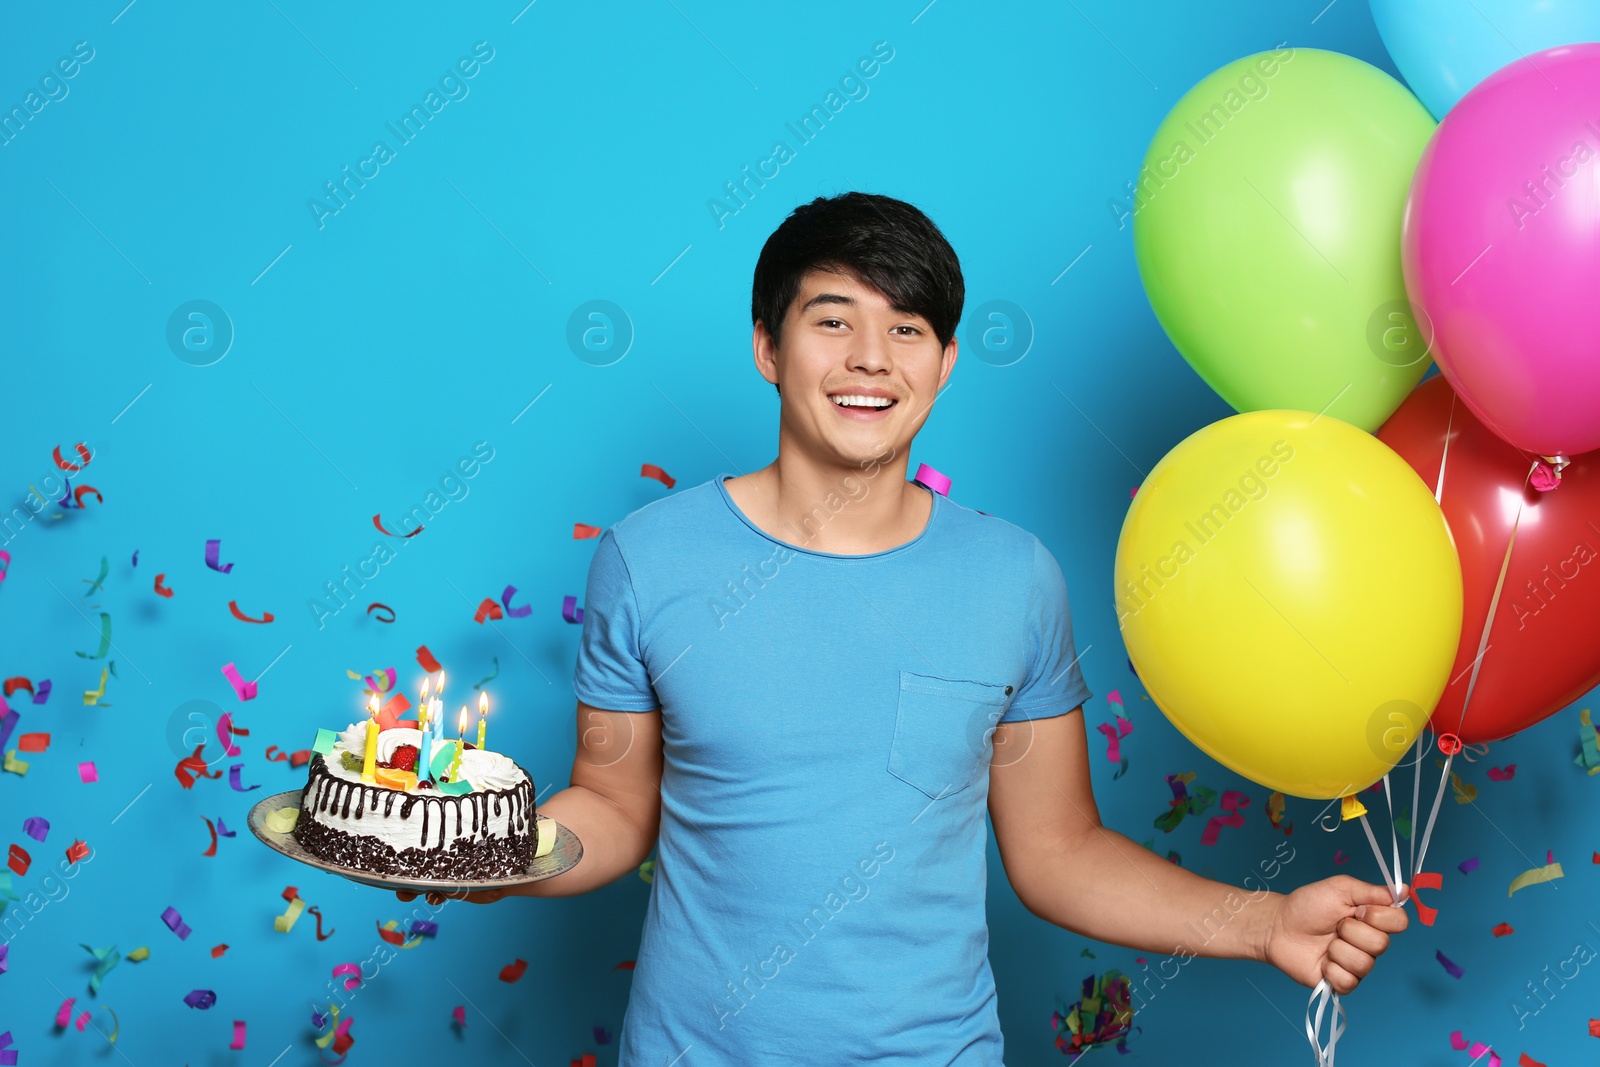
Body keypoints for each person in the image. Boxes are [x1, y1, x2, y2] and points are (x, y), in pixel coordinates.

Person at [398, 192, 1408, 1063]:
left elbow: (1056, 851)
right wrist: (500, 855)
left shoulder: (1013, 578)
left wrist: (1268, 919)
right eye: (831, 322)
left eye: (907, 328)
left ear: (946, 360)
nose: (870, 359)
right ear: (766, 345)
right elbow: (615, 808)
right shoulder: (646, 558)